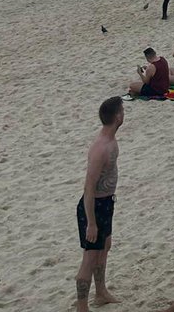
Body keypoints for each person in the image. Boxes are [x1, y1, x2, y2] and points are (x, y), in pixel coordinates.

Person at [75, 95, 124, 312]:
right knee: (90, 257)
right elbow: (88, 189)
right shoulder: (100, 148)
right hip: (93, 207)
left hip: (106, 204)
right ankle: (82, 307)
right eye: (122, 110)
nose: (124, 113)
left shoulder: (111, 139)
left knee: (105, 247)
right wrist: (91, 223)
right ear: (117, 116)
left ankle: (101, 292)